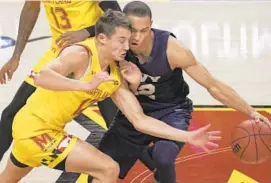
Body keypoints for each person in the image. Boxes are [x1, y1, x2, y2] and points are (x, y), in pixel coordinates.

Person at [0, 9, 222, 183]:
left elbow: (140, 120)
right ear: (103, 38)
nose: (127, 46)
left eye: (129, 40)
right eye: (121, 40)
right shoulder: (80, 54)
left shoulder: (116, 73)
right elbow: (40, 76)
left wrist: (187, 137)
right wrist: (84, 85)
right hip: (35, 131)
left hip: (46, 131)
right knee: (109, 168)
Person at [96, 1, 271, 183]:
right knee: (100, 168)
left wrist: (250, 111)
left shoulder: (173, 49)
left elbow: (213, 85)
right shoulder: (115, 50)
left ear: (151, 25)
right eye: (133, 30)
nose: (137, 37)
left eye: (144, 30)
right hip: (135, 110)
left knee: (163, 158)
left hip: (171, 109)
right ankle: (139, 148)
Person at [0, 0, 121, 162]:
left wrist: (87, 31)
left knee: (114, 122)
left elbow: (116, 14)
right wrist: (16, 56)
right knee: (10, 114)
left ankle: (157, 167)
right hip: (59, 51)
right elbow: (30, 8)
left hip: (92, 51)